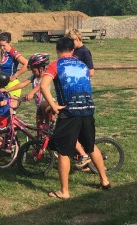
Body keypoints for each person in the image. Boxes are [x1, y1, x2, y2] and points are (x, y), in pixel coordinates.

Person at [40, 37, 110, 199]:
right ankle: (104, 180)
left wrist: (54, 105)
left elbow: (44, 86)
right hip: (88, 110)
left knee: (63, 152)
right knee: (90, 146)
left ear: (57, 50)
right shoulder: (83, 65)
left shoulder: (55, 65)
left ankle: (64, 191)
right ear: (73, 50)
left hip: (69, 112)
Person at [65, 29, 96, 169]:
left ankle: (86, 155)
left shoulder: (84, 52)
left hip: (81, 91)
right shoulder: (73, 51)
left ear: (78, 39)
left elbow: (91, 72)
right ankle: (81, 156)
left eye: (72, 41)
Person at [0, 53, 52, 131]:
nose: (32, 72)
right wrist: (7, 90)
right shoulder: (34, 77)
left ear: (41, 69)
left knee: (47, 130)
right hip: (39, 107)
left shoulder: (46, 77)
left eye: (34, 70)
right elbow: (23, 84)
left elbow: (41, 86)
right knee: (39, 130)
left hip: (47, 106)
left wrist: (32, 93)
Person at [0, 32, 28, 109]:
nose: (1, 48)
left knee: (9, 111)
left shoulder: (13, 53)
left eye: (4, 45)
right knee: (1, 112)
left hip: (12, 85)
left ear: (9, 43)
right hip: (3, 84)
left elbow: (27, 64)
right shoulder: (3, 52)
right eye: (0, 45)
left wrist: (15, 75)